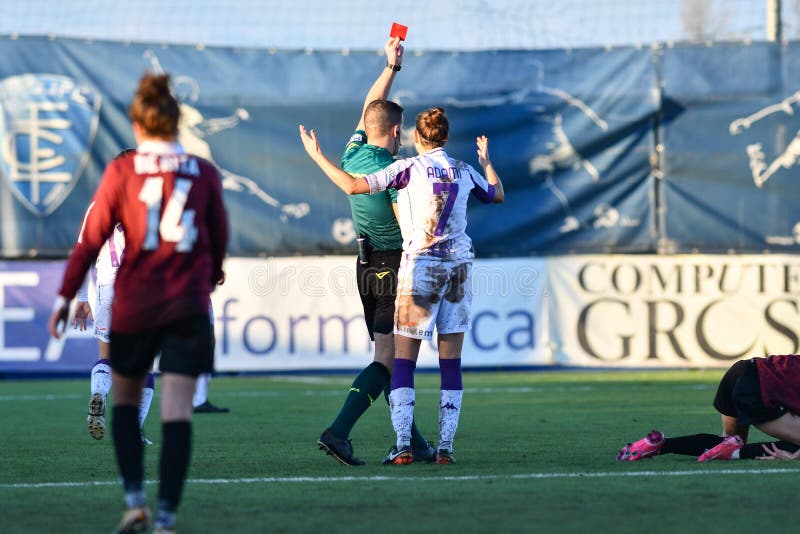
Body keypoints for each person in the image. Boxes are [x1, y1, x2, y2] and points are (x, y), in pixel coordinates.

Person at [48, 72, 228, 534]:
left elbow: (87, 245)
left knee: (125, 402)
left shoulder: (122, 172)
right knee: (178, 410)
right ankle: (167, 516)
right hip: (186, 303)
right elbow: (218, 240)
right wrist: (210, 274)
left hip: (134, 300)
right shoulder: (203, 172)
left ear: (137, 126)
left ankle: (134, 503)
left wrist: (66, 297)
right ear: (176, 125)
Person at [300, 106, 505, 465]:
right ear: (445, 135)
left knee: (402, 363)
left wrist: (316, 156)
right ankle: (444, 448)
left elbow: (351, 184)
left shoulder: (404, 168)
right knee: (450, 362)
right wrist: (486, 160)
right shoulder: (463, 169)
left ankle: (404, 445)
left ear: (413, 136)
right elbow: (496, 194)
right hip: (457, 270)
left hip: (415, 267)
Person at [313, 35, 434, 466]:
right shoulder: (394, 172)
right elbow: (407, 225)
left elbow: (371, 104)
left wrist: (391, 66)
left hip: (364, 266)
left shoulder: (354, 153)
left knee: (385, 356)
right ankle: (338, 432)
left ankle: (415, 442)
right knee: (390, 359)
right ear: (398, 132)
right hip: (393, 266)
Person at [72, 150, 156, 445]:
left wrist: (82, 297)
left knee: (106, 358)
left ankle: (98, 393)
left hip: (108, 289)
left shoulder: (99, 206)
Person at [617, 355, 800, 462]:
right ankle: (737, 453)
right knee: (791, 447)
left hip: (740, 370)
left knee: (729, 442)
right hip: (754, 387)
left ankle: (657, 445)